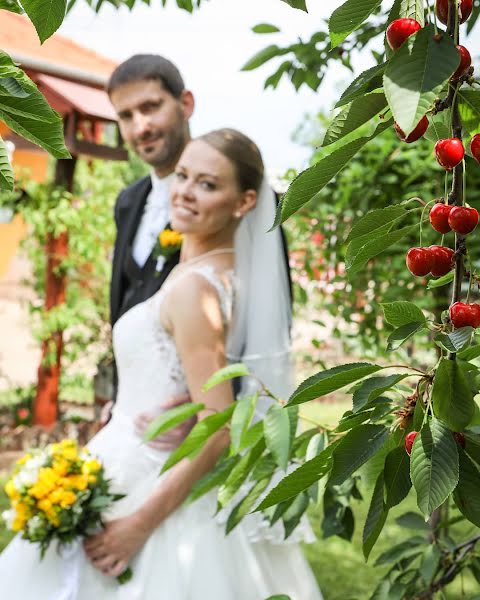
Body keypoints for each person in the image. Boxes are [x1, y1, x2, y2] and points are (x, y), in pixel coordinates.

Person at [0, 129, 322, 600]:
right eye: (184, 176)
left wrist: (137, 526)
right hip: (136, 455)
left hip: (153, 487)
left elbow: (217, 427)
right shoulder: (219, 271)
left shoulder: (196, 289)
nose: (186, 191)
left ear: (244, 201)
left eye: (208, 184)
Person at [103, 54, 291, 446]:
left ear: (185, 104)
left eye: (151, 107)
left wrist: (203, 406)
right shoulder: (127, 202)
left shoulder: (249, 208)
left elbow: (265, 326)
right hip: (133, 419)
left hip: (198, 432)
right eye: (126, 115)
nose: (141, 126)